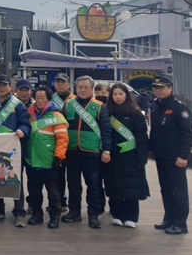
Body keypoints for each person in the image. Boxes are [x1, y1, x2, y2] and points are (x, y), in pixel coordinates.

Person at [62, 75, 112, 229]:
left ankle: (93, 214)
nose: (83, 90)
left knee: (94, 184)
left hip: (92, 151)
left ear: (91, 89)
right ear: (75, 88)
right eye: (80, 87)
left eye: (86, 87)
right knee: (73, 183)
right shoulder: (68, 104)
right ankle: (74, 210)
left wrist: (106, 150)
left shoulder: (99, 106)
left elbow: (106, 130)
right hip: (72, 150)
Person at [149, 75, 192, 235]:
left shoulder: (179, 108)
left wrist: (183, 156)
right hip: (161, 155)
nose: (158, 90)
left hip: (175, 157)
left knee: (178, 190)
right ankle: (169, 218)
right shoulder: (155, 106)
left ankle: (180, 223)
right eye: (155, 88)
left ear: (170, 88)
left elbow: (187, 133)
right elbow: (155, 131)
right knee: (166, 189)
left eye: (161, 87)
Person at [0, 74, 30, 227]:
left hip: (13, 149)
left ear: (10, 87)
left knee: (16, 179)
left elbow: (25, 123)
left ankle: (19, 212)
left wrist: (23, 130)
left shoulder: (17, 105)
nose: (2, 88)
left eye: (5, 85)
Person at [102, 83, 149, 229]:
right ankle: (117, 215)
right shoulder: (107, 112)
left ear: (126, 96)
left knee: (131, 188)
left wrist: (142, 157)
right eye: (115, 94)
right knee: (114, 186)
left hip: (131, 156)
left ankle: (131, 217)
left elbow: (142, 138)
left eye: (120, 94)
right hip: (113, 156)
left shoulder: (136, 114)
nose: (118, 97)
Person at [25, 87, 69, 229]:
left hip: (49, 161)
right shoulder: (29, 114)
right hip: (32, 160)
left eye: (43, 98)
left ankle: (54, 216)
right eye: (37, 98)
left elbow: (62, 138)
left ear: (48, 99)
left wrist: (59, 157)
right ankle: (37, 215)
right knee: (34, 191)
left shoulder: (56, 116)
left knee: (53, 193)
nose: (39, 101)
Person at [52, 72, 74, 213]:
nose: (60, 85)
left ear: (68, 85)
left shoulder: (74, 100)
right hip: (55, 143)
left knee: (72, 176)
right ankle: (59, 201)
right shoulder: (50, 99)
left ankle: (72, 205)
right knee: (57, 175)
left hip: (71, 144)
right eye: (58, 82)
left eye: (63, 82)